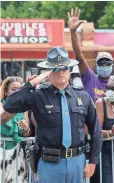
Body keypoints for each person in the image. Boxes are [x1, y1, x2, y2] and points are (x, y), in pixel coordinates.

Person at [3, 46, 103, 183]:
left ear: (69, 70)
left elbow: (96, 131)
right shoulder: (38, 95)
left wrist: (93, 162)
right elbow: (10, 104)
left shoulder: (83, 96)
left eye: (64, 68)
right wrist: (32, 83)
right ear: (48, 72)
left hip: (77, 161)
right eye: (55, 68)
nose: (60, 72)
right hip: (49, 162)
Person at [0, 76, 30, 183]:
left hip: (17, 152)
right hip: (1, 151)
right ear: (5, 92)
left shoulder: (24, 108)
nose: (17, 92)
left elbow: (25, 133)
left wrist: (26, 129)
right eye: (13, 89)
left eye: (20, 90)